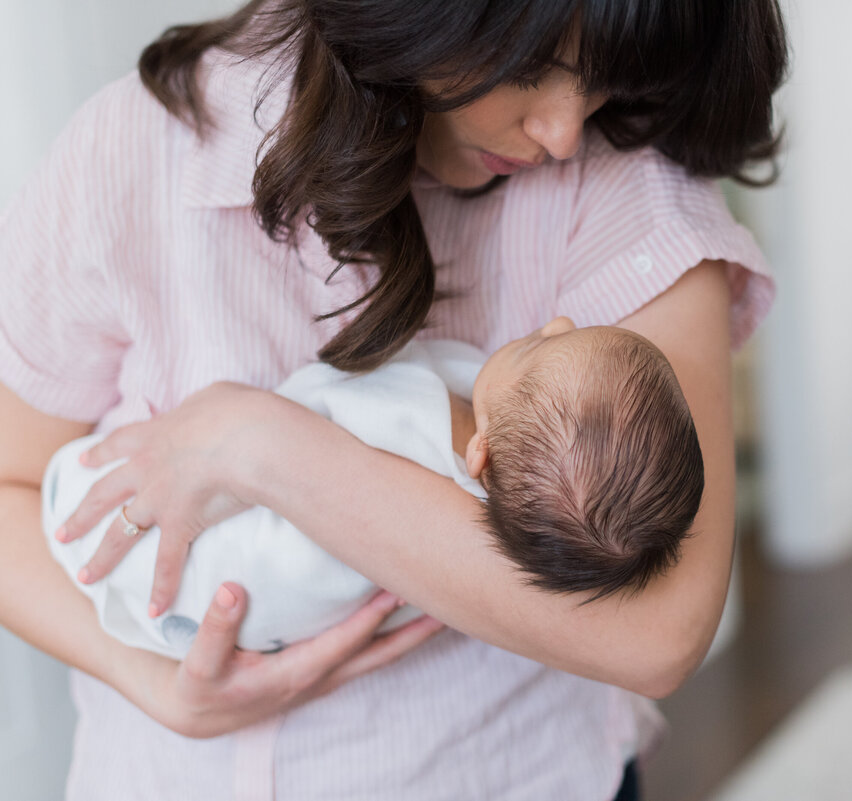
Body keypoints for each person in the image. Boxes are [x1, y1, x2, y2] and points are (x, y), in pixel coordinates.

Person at [0, 1, 786, 798]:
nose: (561, 134)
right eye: (528, 69)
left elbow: (658, 628)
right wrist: (149, 676)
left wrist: (261, 446)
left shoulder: (626, 181)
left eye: (599, 88)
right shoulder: (136, 153)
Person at [43, 319, 704, 658]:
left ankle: (81, 512)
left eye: (535, 347)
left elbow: (313, 401)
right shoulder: (498, 519)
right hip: (266, 630)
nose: (554, 320)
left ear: (480, 452)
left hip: (203, 550)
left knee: (132, 496)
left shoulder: (412, 409)